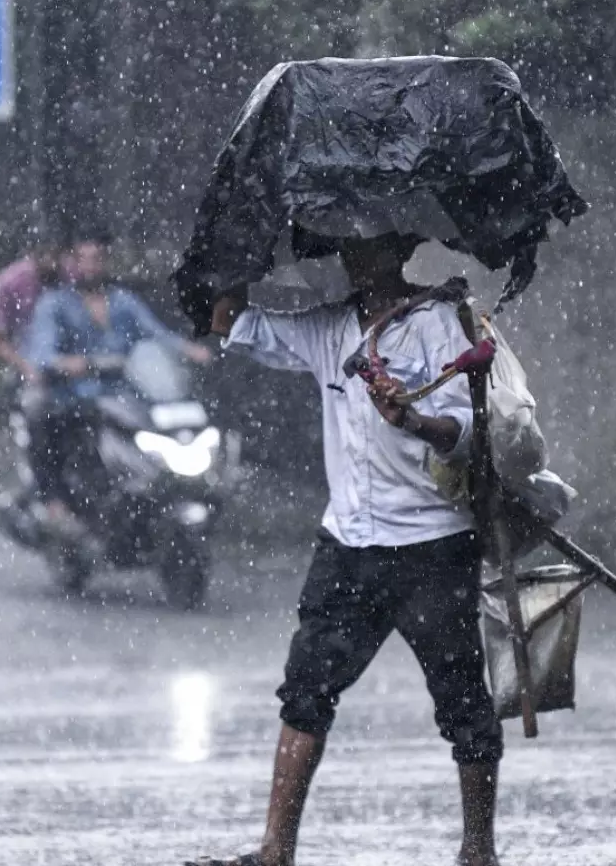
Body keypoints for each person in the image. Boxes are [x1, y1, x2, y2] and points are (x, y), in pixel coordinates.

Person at [189, 234, 502, 866]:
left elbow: (466, 428)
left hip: (431, 546)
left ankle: (478, 849)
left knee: (463, 701)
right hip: (349, 544)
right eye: (349, 246)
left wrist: (412, 421)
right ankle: (276, 850)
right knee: (305, 691)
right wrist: (231, 255)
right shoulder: (328, 330)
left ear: (401, 248)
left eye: (371, 244)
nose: (357, 257)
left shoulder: (439, 325)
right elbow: (229, 323)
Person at [21, 232, 214, 536]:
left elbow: (156, 334)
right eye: (83, 259)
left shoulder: (124, 302)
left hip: (123, 398)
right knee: (47, 425)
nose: (90, 267)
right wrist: (69, 364)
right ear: (71, 262)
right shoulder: (55, 304)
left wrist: (191, 351)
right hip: (75, 399)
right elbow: (41, 355)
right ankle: (55, 502)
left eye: (97, 259)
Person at [0, 235, 64, 380]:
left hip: (64, 361)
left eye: (57, 256)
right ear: (34, 254)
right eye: (47, 255)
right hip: (23, 363)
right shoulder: (11, 283)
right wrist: (25, 367)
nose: (53, 264)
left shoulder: (69, 273)